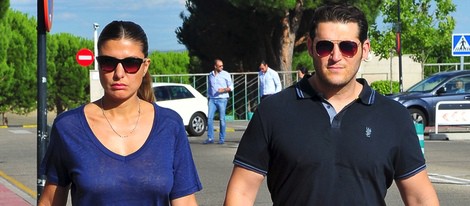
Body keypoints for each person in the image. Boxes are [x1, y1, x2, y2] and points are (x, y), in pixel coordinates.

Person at [224, 4, 439, 206]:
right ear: (310, 47)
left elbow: (420, 198)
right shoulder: (273, 111)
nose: (336, 56)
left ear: (364, 50)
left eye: (347, 47)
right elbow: (241, 192)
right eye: (325, 46)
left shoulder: (394, 117)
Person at [39, 21, 202, 206]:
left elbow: (185, 200)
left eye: (131, 64)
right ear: (99, 64)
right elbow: (50, 202)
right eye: (108, 62)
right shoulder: (68, 127)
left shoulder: (170, 124)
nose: (119, 73)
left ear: (145, 66)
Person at [204, 59, 234, 144]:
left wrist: (224, 90)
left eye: (222, 66)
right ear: (215, 66)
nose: (222, 67)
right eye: (220, 66)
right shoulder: (210, 75)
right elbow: (209, 87)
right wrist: (209, 96)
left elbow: (231, 87)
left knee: (222, 119)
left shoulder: (226, 74)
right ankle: (210, 138)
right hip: (212, 99)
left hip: (222, 99)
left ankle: (222, 138)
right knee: (209, 118)